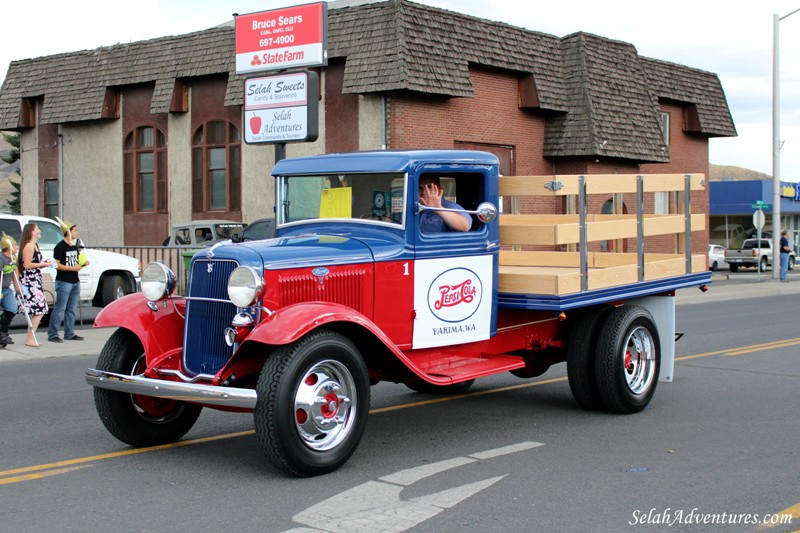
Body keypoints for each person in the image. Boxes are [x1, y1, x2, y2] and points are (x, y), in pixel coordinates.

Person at [48, 217, 90, 343]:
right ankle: (53, 333)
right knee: (59, 308)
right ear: (68, 232)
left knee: (71, 309)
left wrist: (82, 265)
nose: (77, 232)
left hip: (75, 281)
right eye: (75, 230)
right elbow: (55, 264)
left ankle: (69, 333)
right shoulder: (60, 247)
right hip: (64, 281)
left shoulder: (75, 246)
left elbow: (76, 264)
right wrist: (72, 268)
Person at [17, 223, 52, 347]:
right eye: (37, 229)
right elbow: (27, 265)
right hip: (29, 281)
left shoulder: (35, 245)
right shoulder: (29, 246)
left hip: (35, 280)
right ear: (31, 232)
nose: (39, 230)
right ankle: (30, 338)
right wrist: (43, 265)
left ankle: (31, 337)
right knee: (39, 309)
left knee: (40, 309)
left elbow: (34, 262)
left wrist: (43, 262)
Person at [0, 232, 20, 346]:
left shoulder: (13, 258)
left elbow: (14, 273)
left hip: (6, 289)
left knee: (12, 308)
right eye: (15, 245)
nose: (17, 247)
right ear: (10, 247)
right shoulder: (1, 258)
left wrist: (18, 288)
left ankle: (3, 332)